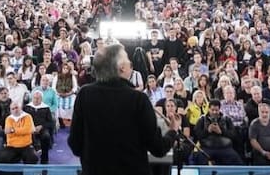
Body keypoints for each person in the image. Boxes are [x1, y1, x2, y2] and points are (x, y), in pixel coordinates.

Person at [68, 43, 180, 175]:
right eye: (127, 60)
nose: (130, 63)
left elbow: (75, 144)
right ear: (121, 68)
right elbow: (157, 149)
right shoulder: (139, 99)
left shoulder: (84, 95)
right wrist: (172, 131)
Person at [194, 99, 243, 165]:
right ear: (209, 109)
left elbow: (233, 135)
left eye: (216, 110)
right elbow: (197, 135)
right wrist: (207, 131)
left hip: (225, 148)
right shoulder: (202, 119)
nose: (214, 112)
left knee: (236, 158)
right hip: (207, 148)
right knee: (199, 157)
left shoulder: (226, 119)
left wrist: (221, 132)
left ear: (220, 109)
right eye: (212, 110)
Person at [0, 100, 37, 164]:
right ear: (10, 111)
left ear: (20, 108)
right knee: (3, 158)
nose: (15, 110)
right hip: (11, 146)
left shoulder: (27, 117)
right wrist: (21, 132)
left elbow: (27, 130)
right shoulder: (8, 119)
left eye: (16, 108)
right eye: (13, 109)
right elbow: (9, 133)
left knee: (33, 158)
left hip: (26, 145)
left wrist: (13, 130)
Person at [249, 101, 270, 165]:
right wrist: (264, 152)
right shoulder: (254, 124)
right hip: (260, 152)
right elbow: (253, 141)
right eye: (262, 112)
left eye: (266, 112)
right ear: (259, 113)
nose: (264, 114)